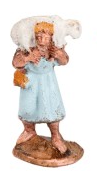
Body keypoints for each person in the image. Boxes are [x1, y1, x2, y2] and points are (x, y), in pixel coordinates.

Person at [12, 21, 69, 154]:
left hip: (48, 82)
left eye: (46, 37)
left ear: (51, 38)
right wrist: (28, 58)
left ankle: (56, 136)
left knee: (52, 108)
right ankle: (29, 131)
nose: (42, 40)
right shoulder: (26, 49)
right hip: (31, 83)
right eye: (39, 37)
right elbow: (16, 63)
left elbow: (65, 61)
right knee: (28, 108)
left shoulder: (53, 49)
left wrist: (59, 55)